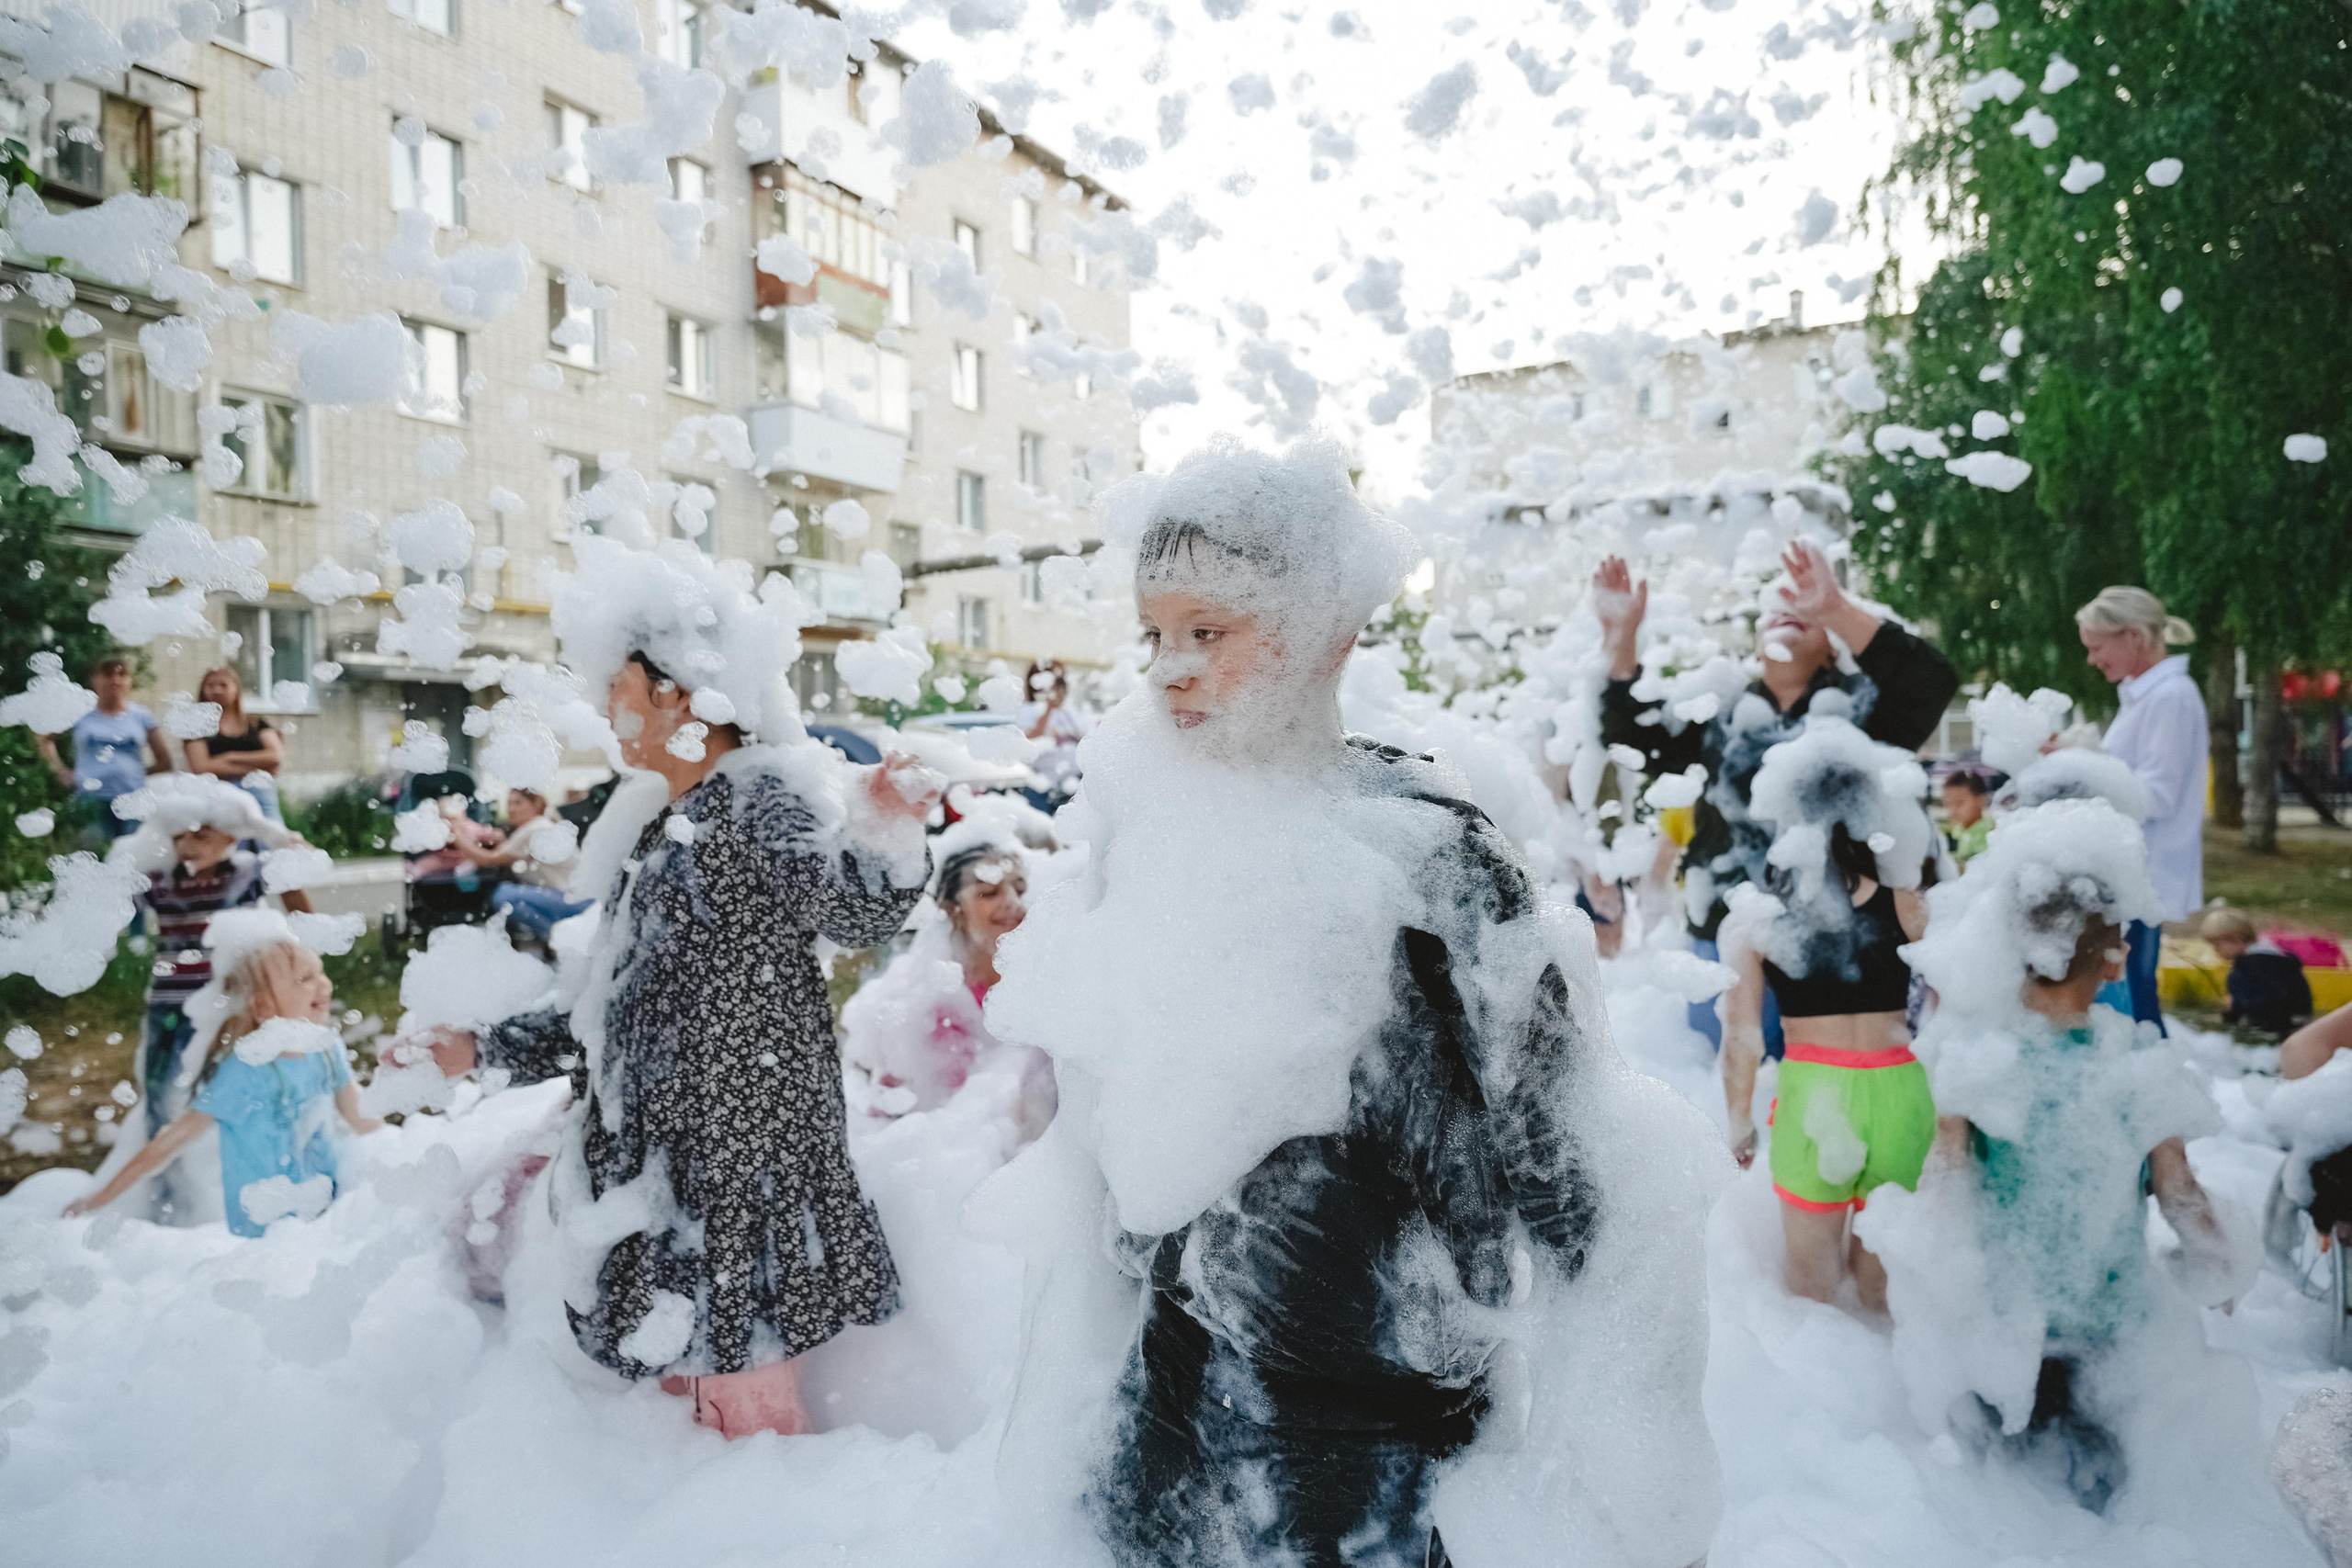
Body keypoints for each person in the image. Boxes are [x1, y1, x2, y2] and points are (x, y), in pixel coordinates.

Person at [988, 442, 1719, 1568]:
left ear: (1323, 632)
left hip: (1369, 1418)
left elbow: (1571, 1170)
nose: (1169, 669)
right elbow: (1116, 1124)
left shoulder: (1424, 857)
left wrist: (1622, 1468)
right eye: (1154, 636)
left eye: (1208, 632)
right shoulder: (1158, 831)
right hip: (1176, 1383)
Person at [390, 535, 941, 1442]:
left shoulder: (757, 793)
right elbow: (614, 1010)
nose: (606, 709)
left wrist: (887, 828)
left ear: (674, 689)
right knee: (689, 1431)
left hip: (742, 1185)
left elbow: (858, 915)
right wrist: (479, 1047)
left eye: (617, 686)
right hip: (671, 1183)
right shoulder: (666, 823)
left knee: (750, 1437)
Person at [1596, 540, 1959, 1055]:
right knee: (1717, 1081)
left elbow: (1931, 681)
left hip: (1839, 939)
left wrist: (1835, 607)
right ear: (1757, 646)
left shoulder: (1862, 713)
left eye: (1802, 613)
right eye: (1776, 614)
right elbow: (1634, 736)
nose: (1786, 614)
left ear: (1833, 648)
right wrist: (1621, 636)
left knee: (1820, 1097)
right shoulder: (1717, 713)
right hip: (1724, 927)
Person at [1925, 908, 2229, 1513]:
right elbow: (2181, 1197)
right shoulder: (2140, 1066)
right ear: (2115, 958)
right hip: (2108, 1338)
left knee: (1997, 1512)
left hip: (2005, 1332)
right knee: (2102, 1517)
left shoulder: (1976, 1058)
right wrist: (2222, 1264)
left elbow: (1940, 1196)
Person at [1719, 718, 1935, 1314]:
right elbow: (1954, 1018)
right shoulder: (1910, 906)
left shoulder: (1756, 919)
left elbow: (1741, 1041)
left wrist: (1739, 1124)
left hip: (1816, 1099)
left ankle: (1830, 1403)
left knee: (1813, 1296)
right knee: (1881, 1295)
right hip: (1903, 1093)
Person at [65, 915, 381, 1235]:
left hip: (329, 1211)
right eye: (305, 978)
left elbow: (362, 1120)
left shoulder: (327, 1049)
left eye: (321, 972)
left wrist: (401, 1149)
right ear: (263, 1007)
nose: (325, 984)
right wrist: (96, 1201)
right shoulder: (245, 1070)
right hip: (263, 1233)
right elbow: (173, 1140)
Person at [112, 774, 312, 1148]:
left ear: (231, 837)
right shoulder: (159, 881)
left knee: (235, 1084)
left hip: (233, 1004)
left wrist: (273, 834)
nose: (188, 845)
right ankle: (163, 1162)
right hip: (169, 1003)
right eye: (179, 835)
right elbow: (111, 910)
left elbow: (302, 876)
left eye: (201, 835)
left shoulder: (248, 871)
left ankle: (237, 1155)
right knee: (163, 1092)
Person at [2076, 586, 2207, 1029]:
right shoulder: (2147, 695)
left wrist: (2078, 770)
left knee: (2131, 1002)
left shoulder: (2169, 697)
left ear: (2132, 636)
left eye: (2097, 647)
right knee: (2126, 995)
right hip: (2130, 870)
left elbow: (2156, 794)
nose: (2092, 659)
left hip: (2140, 874)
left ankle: (2153, 1092)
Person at [843, 842, 1040, 1119]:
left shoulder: (1045, 984)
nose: (1013, 903)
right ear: (953, 910)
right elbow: (939, 1125)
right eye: (990, 891)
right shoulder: (934, 1009)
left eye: (1019, 889)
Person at [35, 654, 172, 840]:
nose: (115, 680)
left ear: (130, 680)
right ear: (95, 679)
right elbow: (44, 736)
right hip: (91, 801)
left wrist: (133, 774)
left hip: (133, 801)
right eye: (108, 674)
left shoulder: (142, 716)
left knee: (133, 860)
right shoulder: (80, 714)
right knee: (94, 859)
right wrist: (60, 771)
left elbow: (164, 761)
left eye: (122, 674)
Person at [471, 787, 593, 942]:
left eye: (518, 803)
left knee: (505, 895)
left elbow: (488, 860)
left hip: (574, 899)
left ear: (536, 804)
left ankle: (558, 938)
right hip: (579, 898)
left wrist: (455, 833)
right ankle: (558, 936)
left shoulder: (535, 827)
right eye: (509, 803)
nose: (511, 808)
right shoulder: (540, 824)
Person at [183, 665, 286, 822]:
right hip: (220, 794)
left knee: (271, 836)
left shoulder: (256, 723)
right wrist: (259, 767)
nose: (217, 690)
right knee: (234, 842)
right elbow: (201, 767)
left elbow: (276, 756)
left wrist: (229, 757)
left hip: (261, 793)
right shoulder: (196, 726)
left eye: (223, 685)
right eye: (210, 685)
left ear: (236, 689)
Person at [2199, 907, 2313, 1036]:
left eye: (2217, 945)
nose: (2216, 951)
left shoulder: (2246, 969)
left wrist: (2232, 1008)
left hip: (2272, 1030)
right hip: (2300, 1025)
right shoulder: (2279, 958)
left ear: (2237, 939)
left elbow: (2259, 1006)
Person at [1016, 660, 1089, 811]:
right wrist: (1049, 709)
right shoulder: (1029, 710)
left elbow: (1084, 739)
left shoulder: (1071, 711)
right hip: (1042, 786)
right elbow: (1027, 739)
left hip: (1073, 783)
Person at [1940, 768, 1995, 865]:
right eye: (1947, 804)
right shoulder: (1957, 831)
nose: (1952, 811)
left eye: (1959, 803)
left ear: (1981, 800)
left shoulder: (1990, 836)